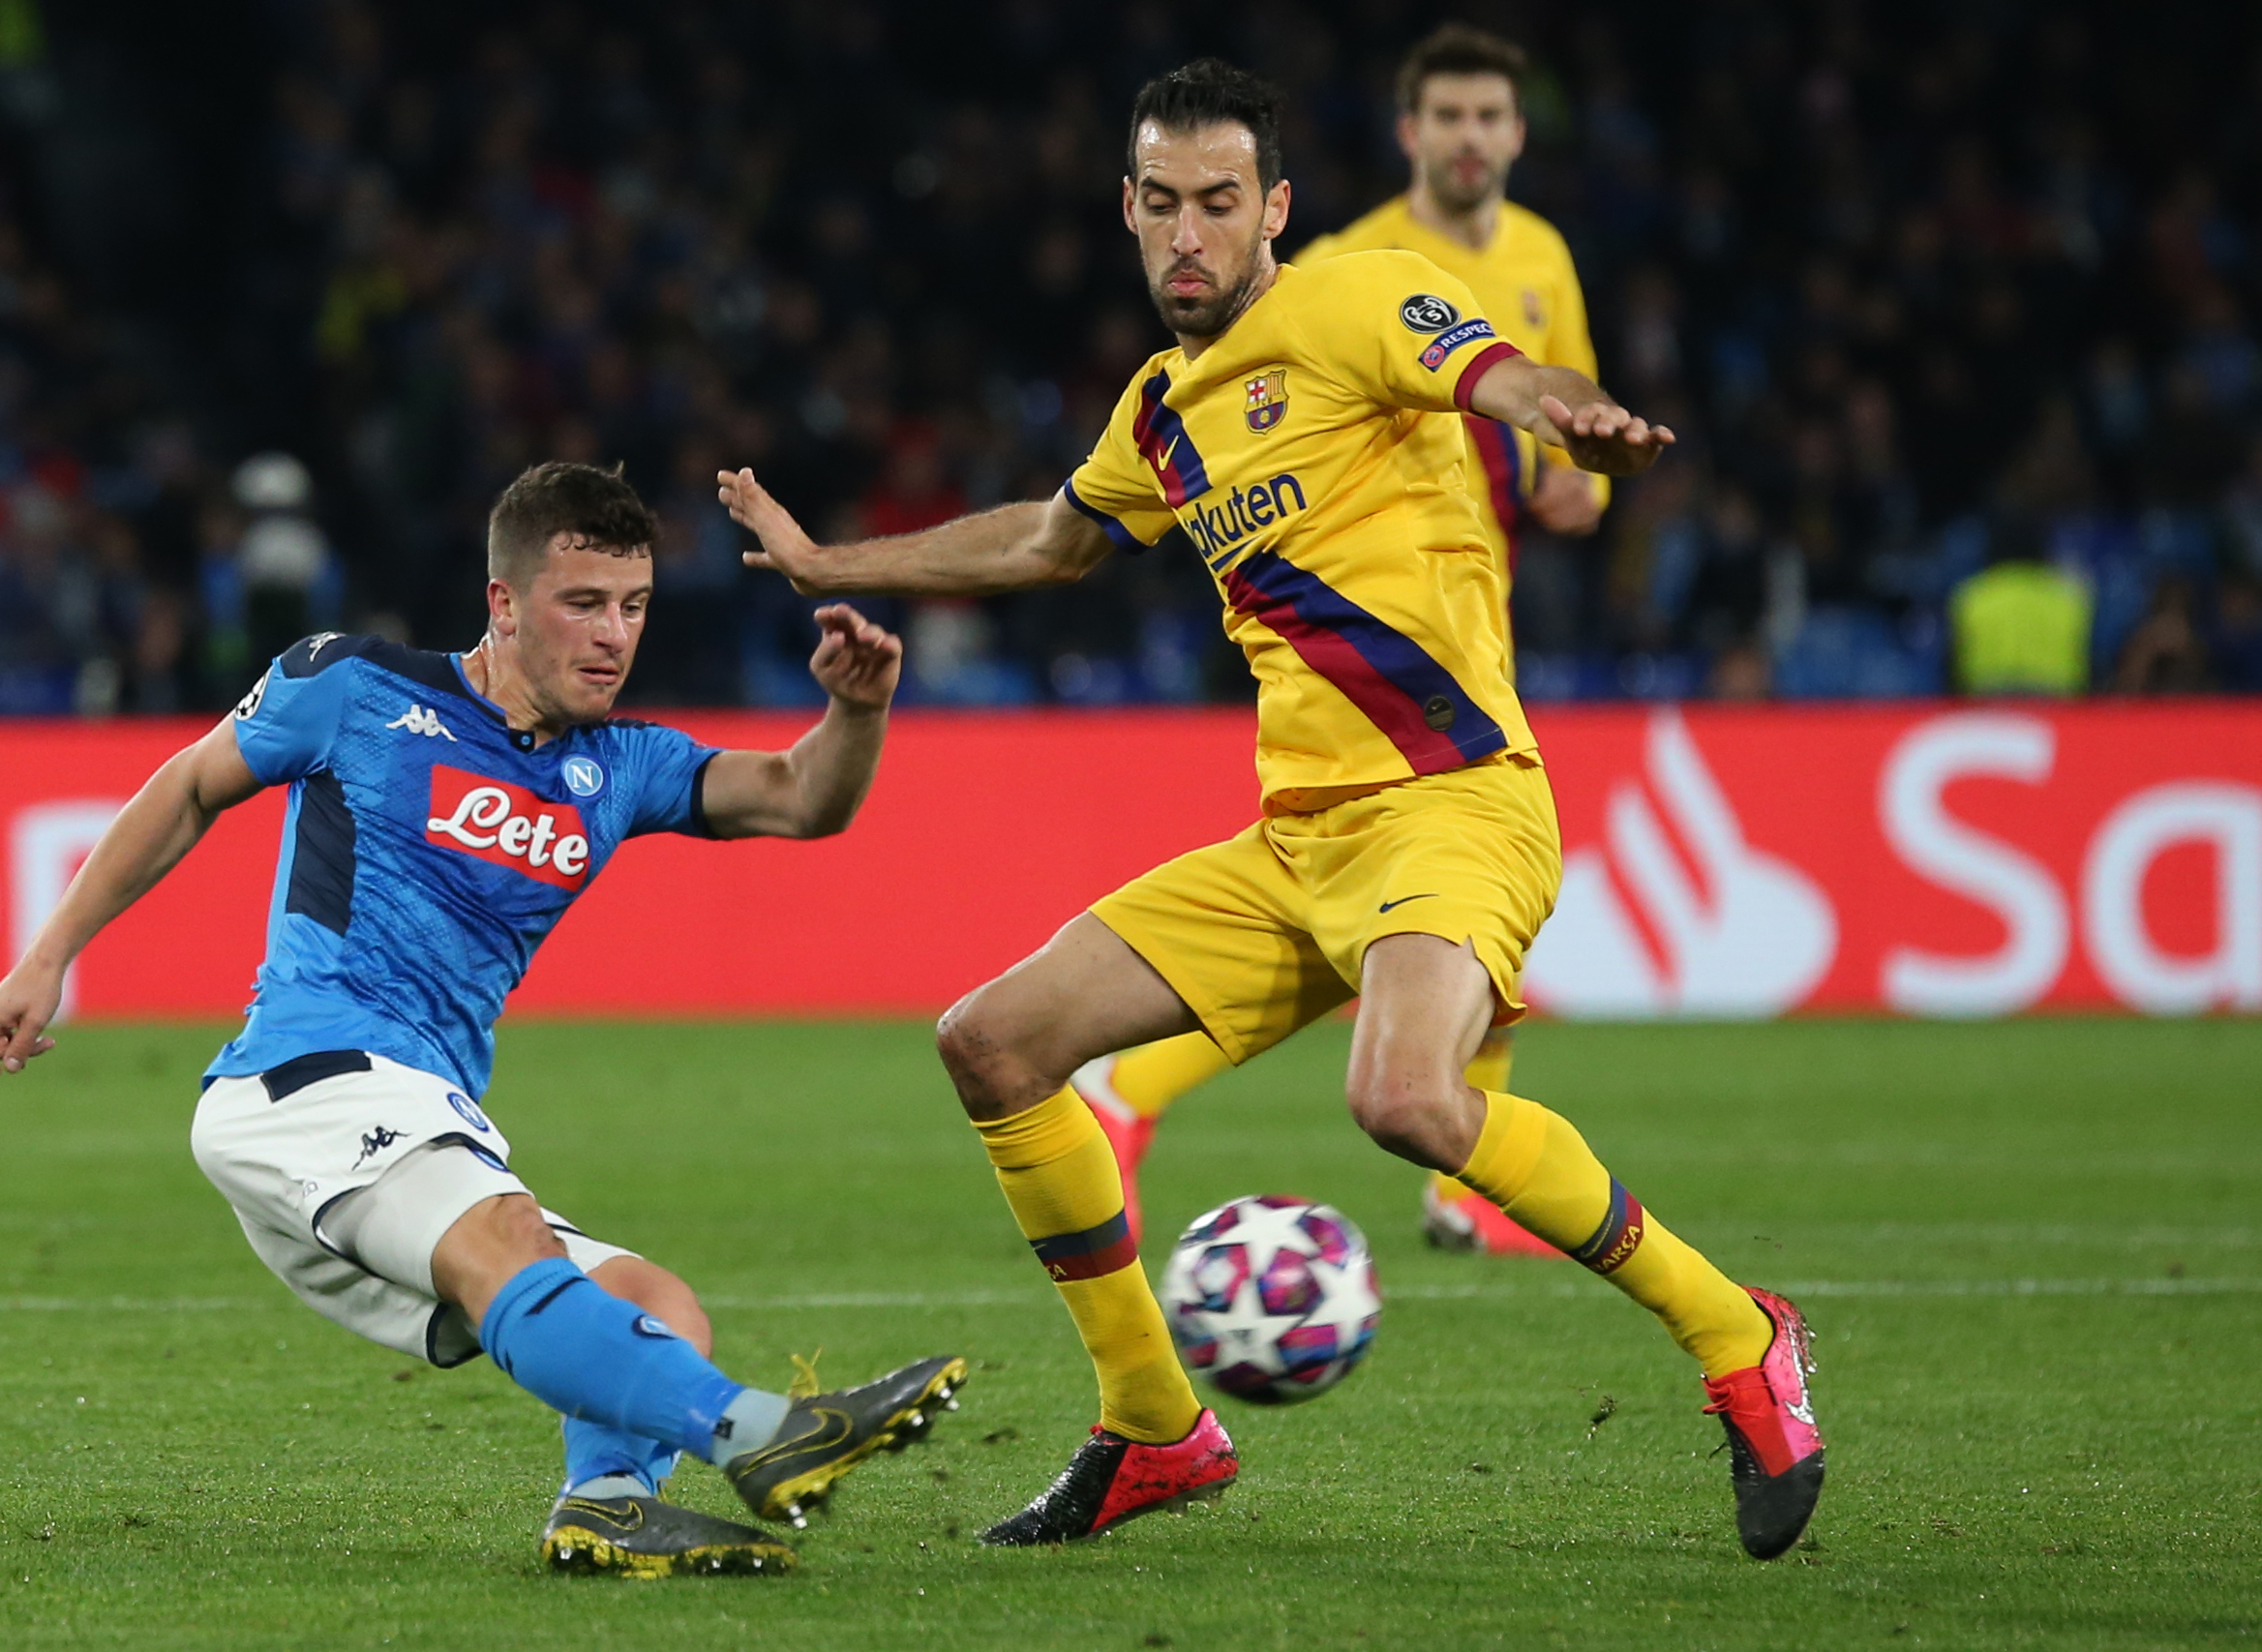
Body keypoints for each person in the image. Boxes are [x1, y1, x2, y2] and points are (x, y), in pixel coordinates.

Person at [719, 61, 1824, 1561]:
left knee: (1404, 1098)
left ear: (1274, 209)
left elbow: (1504, 376)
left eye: (1219, 203)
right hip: (1293, 843)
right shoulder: (1159, 412)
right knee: (989, 1039)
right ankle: (1155, 1423)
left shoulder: (1365, 297)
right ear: (1126, 209)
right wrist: (825, 562)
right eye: (1161, 203)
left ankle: (1737, 1331)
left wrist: (1575, 417)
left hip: (1451, 805)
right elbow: (1050, 542)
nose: (1189, 234)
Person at [0, 461, 964, 1579]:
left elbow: (799, 798)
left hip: (416, 1113)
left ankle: (609, 1504)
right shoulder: (354, 686)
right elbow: (194, 784)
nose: (613, 636)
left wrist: (857, 711)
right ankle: (765, 1434)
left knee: (653, 1301)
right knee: (511, 1240)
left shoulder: (619, 764)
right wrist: (46, 958)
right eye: (582, 603)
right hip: (308, 1076)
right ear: (501, 601)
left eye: (634, 606)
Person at [1074, 24, 1603, 1259]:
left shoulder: (1544, 257)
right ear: (1411, 135)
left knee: (1459, 920)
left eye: (1492, 117)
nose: (1471, 138)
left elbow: (1556, 392)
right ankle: (1139, 1094)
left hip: (1473, 606)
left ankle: (1455, 1185)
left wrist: (1587, 479)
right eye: (1448, 117)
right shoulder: (1344, 266)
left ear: (1518, 135)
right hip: (1364, 641)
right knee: (1418, 911)